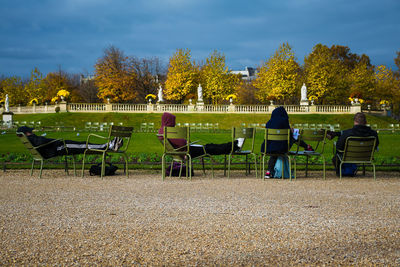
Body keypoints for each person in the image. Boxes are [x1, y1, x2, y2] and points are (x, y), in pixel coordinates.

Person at [157, 112, 239, 158]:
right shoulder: (169, 131)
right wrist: (187, 141)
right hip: (187, 151)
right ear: (169, 121)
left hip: (182, 151)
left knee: (210, 147)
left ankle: (233, 145)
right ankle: (233, 146)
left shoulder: (162, 131)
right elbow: (182, 143)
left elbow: (177, 143)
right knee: (211, 148)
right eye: (173, 121)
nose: (174, 123)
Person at [261, 106, 313, 178]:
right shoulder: (284, 121)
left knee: (274, 150)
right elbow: (289, 135)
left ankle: (269, 171)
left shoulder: (269, 123)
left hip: (268, 148)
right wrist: (292, 131)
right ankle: (307, 147)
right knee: (294, 136)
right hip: (282, 148)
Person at [16, 126, 123, 159]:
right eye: (31, 131)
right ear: (27, 132)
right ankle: (109, 145)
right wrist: (56, 141)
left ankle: (109, 145)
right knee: (82, 145)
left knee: (81, 144)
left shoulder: (29, 139)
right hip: (59, 147)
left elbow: (42, 142)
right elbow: (42, 141)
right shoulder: (33, 138)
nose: (32, 131)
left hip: (56, 147)